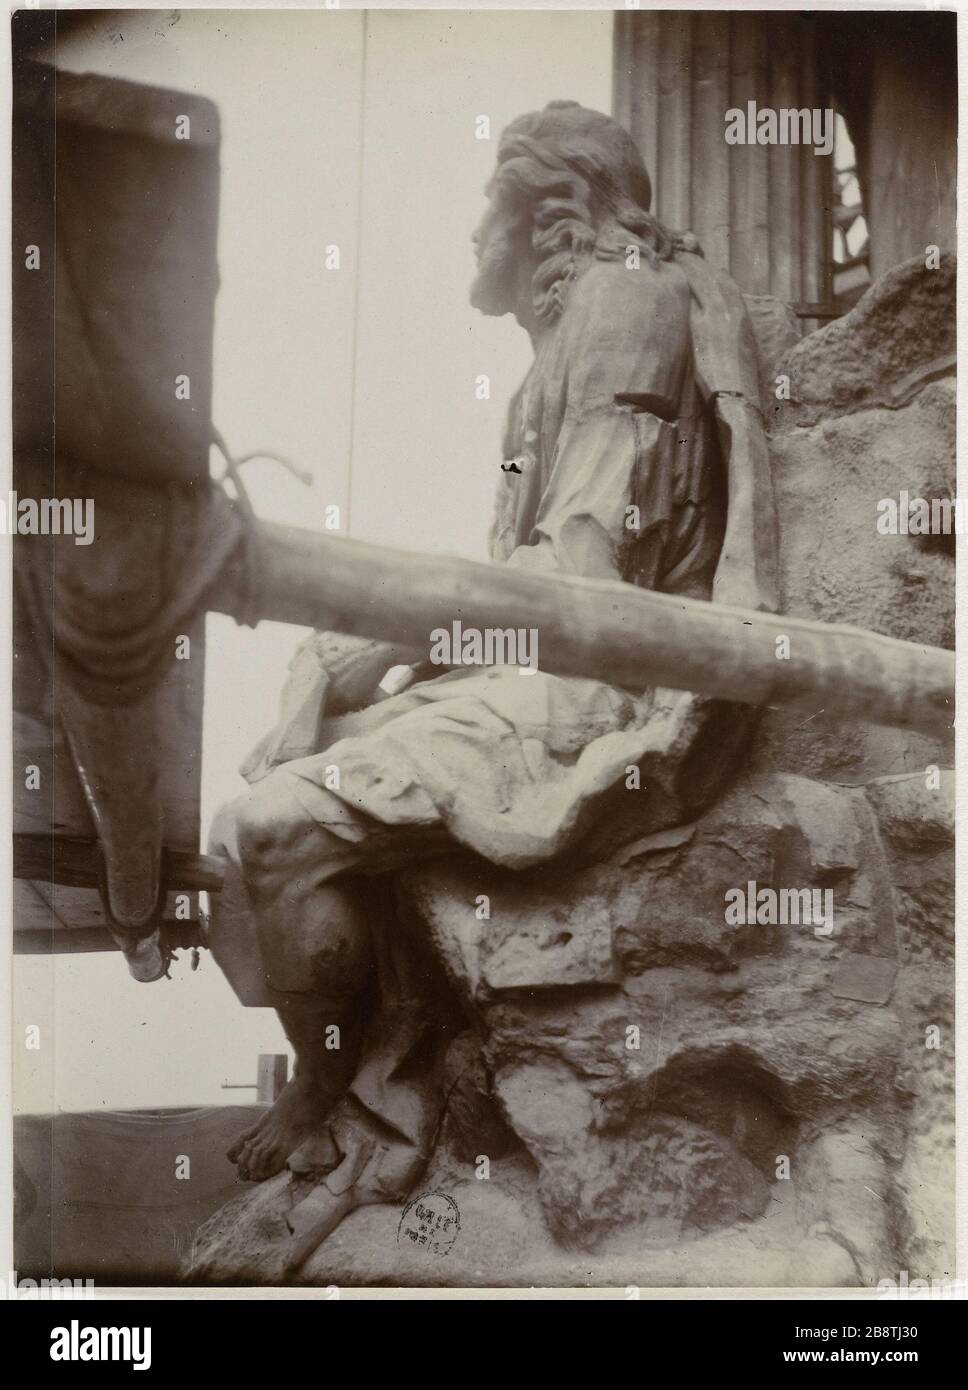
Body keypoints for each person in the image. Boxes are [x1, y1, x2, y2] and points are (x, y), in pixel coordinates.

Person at [209, 100, 776, 1265]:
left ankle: (349, 1102)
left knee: (266, 828)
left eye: (487, 205)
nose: (474, 229)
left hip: (591, 681)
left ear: (548, 213)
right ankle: (336, 1077)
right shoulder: (543, 367)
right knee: (245, 817)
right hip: (532, 657)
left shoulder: (625, 302)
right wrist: (387, 647)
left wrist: (402, 639)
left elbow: (579, 572)